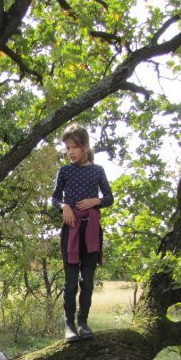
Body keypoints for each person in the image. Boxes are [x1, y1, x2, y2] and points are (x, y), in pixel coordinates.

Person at [51, 124, 114, 342]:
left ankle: (83, 322)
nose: (71, 152)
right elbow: (55, 198)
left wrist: (95, 201)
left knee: (87, 281)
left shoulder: (98, 171)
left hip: (91, 230)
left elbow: (109, 198)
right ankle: (69, 325)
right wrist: (64, 207)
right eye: (67, 148)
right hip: (72, 231)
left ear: (86, 147)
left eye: (74, 147)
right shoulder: (65, 171)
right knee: (70, 282)